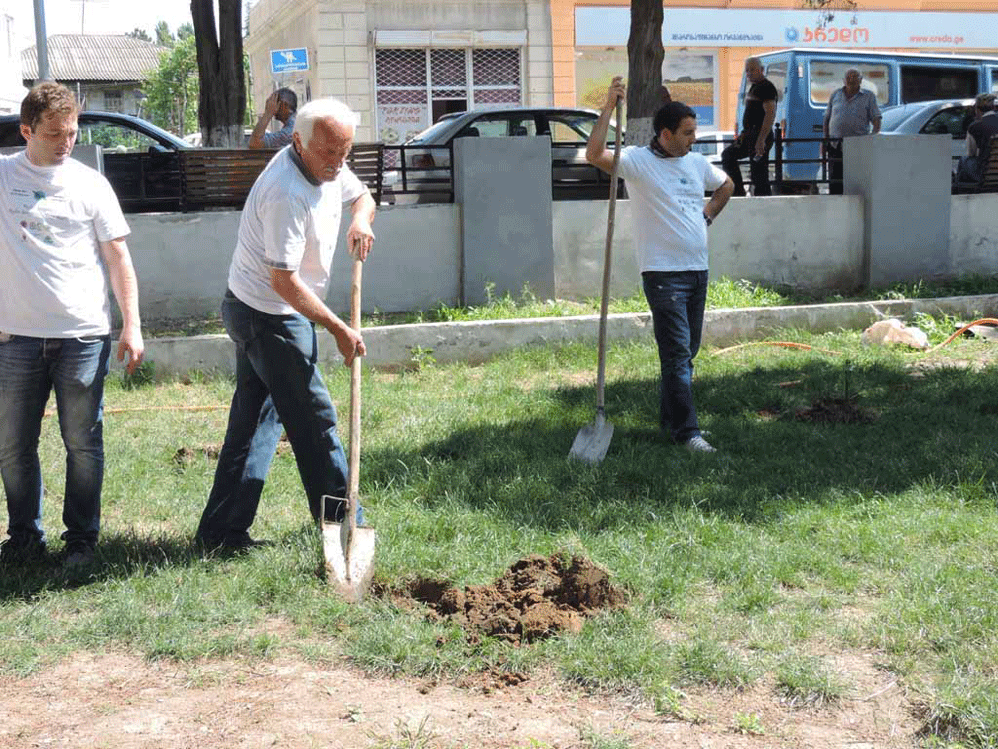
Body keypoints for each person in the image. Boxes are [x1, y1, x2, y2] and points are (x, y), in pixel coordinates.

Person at [196, 98, 377, 551]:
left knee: (254, 422)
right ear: (298, 141)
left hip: (262, 309)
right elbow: (283, 281)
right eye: (329, 153)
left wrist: (360, 220)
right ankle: (345, 526)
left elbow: (361, 196)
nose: (338, 162)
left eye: (345, 152)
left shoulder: (328, 164)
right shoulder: (285, 192)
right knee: (315, 419)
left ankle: (221, 532)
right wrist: (337, 327)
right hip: (267, 315)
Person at [0, 83, 144, 569]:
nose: (66, 143)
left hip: (82, 336)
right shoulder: (3, 176)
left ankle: (81, 540)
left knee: (83, 443)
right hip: (15, 339)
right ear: (26, 131)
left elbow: (118, 257)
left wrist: (132, 325)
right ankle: (24, 539)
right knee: (12, 445)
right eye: (55, 134)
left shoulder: (91, 184)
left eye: (73, 133)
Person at [586, 77, 734, 452]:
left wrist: (707, 216)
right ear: (666, 134)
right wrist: (608, 107)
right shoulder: (638, 162)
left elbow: (727, 184)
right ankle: (688, 433)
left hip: (697, 270)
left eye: (694, 131)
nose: (694, 139)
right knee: (677, 353)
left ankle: (671, 423)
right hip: (663, 273)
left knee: (686, 352)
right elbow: (594, 154)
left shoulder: (696, 163)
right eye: (687, 132)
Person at [720, 57, 777, 197]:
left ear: (761, 70)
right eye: (747, 71)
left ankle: (762, 201)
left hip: (759, 135)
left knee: (759, 173)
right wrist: (744, 134)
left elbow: (770, 114)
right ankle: (737, 191)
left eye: (752, 70)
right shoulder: (755, 87)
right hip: (750, 135)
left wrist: (761, 140)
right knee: (728, 155)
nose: (749, 73)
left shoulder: (766, 87)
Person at [822, 69, 881, 195]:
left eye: (855, 77)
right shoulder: (836, 95)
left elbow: (876, 118)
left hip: (857, 146)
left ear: (860, 80)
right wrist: (825, 139)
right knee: (835, 181)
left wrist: (873, 137)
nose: (851, 80)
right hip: (835, 145)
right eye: (848, 77)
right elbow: (827, 118)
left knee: (855, 182)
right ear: (844, 80)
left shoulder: (868, 96)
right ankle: (836, 204)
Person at [956, 92, 998, 184]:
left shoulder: (974, 127)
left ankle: (961, 187)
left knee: (964, 160)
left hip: (986, 173)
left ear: (978, 109)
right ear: (994, 107)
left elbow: (971, 153)